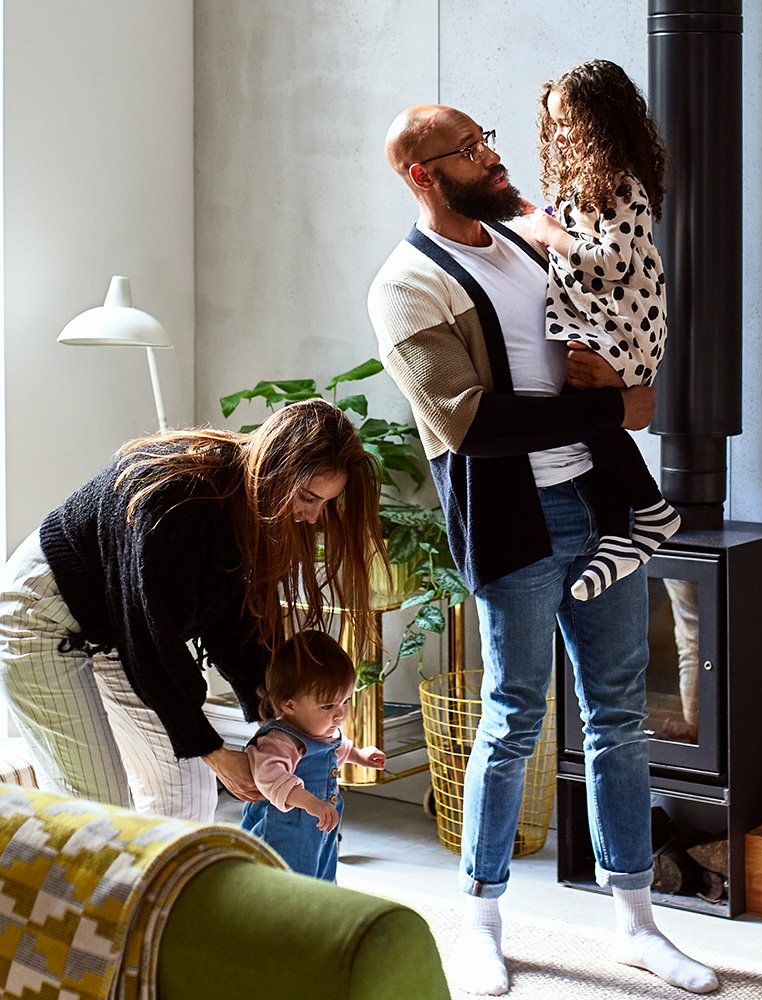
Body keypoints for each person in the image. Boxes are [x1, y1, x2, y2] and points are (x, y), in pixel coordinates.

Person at [368, 104, 717, 996]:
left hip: (600, 508)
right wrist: (614, 409)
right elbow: (469, 423)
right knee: (515, 716)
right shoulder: (406, 286)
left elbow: (606, 318)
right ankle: (481, 923)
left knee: (618, 717)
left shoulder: (529, 242)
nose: (492, 157)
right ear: (422, 176)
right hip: (515, 523)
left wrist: (623, 381)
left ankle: (636, 924)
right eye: (468, 151)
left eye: (486, 138)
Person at [0, 398, 385, 822]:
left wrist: (275, 714)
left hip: (114, 626)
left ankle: (161, 868)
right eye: (308, 497)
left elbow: (229, 621)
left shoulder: (245, 511)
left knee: (186, 790)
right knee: (98, 807)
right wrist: (216, 753)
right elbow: (151, 640)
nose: (312, 517)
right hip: (42, 613)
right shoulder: (177, 500)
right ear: (278, 468)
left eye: (324, 504)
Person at [527, 59, 679, 602]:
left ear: (602, 124)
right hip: (606, 325)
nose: (561, 136)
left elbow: (610, 262)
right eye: (555, 125)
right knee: (587, 421)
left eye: (570, 124)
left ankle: (649, 512)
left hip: (627, 328)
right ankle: (618, 533)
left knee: (588, 414)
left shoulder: (619, 185)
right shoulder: (586, 187)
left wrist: (551, 232)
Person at [241, 630, 386, 881]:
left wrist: (360, 756)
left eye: (346, 701)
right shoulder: (280, 740)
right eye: (328, 706)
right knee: (286, 881)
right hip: (284, 829)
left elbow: (335, 750)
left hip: (320, 827)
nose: (340, 714)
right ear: (289, 705)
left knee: (322, 875)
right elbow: (271, 777)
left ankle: (321, 900)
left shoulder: (321, 731)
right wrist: (309, 802)